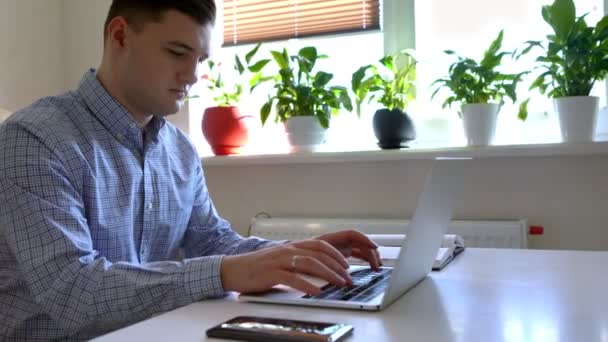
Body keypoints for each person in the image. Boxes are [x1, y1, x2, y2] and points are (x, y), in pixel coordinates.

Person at [0, 0, 381, 340]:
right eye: (177, 52)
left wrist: (296, 254)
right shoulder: (34, 138)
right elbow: (73, 292)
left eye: (200, 60)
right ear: (119, 35)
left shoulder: (178, 149)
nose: (193, 75)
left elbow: (214, 242)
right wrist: (223, 273)